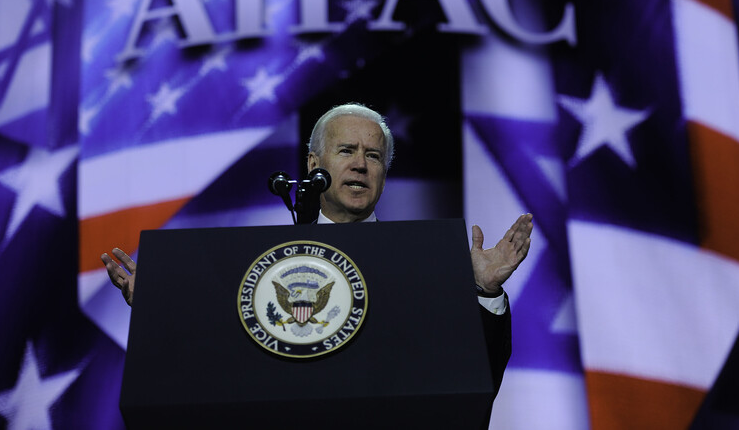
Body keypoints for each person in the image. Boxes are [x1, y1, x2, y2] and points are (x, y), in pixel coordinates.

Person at [101, 102, 532, 425]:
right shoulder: (254, 267)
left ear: (384, 173)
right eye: (346, 150)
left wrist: (480, 292)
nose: (361, 164)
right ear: (314, 164)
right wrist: (159, 311)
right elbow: (212, 365)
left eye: (374, 155)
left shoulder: (422, 267)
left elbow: (473, 383)